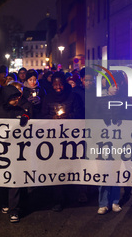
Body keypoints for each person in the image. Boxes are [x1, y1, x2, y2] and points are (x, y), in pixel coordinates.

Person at [41, 71, 84, 211]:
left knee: (72, 167)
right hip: (53, 139)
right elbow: (42, 116)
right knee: (56, 168)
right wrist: (51, 118)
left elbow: (80, 114)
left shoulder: (73, 96)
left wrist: (69, 116)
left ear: (64, 83)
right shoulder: (47, 98)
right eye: (55, 83)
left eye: (60, 83)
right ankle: (58, 199)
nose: (58, 86)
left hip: (71, 139)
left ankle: (74, 196)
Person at [0, 84, 30, 223]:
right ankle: (5, 203)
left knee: (14, 180)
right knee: (3, 179)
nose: (16, 101)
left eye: (17, 98)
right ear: (7, 98)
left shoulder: (19, 110)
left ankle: (14, 210)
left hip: (17, 151)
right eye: (13, 99)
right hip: (1, 151)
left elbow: (29, 117)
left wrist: (26, 117)